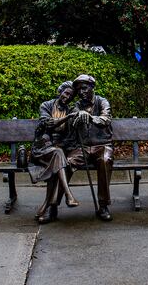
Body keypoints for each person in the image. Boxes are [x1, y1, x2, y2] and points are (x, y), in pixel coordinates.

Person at [66, 74, 115, 221]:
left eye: (84, 88)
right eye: (79, 89)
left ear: (92, 87)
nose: (81, 92)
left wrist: (91, 117)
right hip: (83, 147)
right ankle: (52, 204)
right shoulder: (77, 105)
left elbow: (106, 118)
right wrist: (78, 114)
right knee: (65, 164)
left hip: (102, 145)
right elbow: (72, 116)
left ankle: (103, 205)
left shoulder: (102, 101)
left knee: (105, 160)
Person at [31, 81, 80, 224]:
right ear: (60, 92)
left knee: (58, 159)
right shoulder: (46, 105)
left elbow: (70, 137)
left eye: (71, 96)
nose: (68, 97)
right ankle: (68, 194)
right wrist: (68, 117)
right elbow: (49, 124)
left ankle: (47, 206)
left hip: (59, 150)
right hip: (42, 148)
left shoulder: (70, 110)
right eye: (66, 93)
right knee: (58, 156)